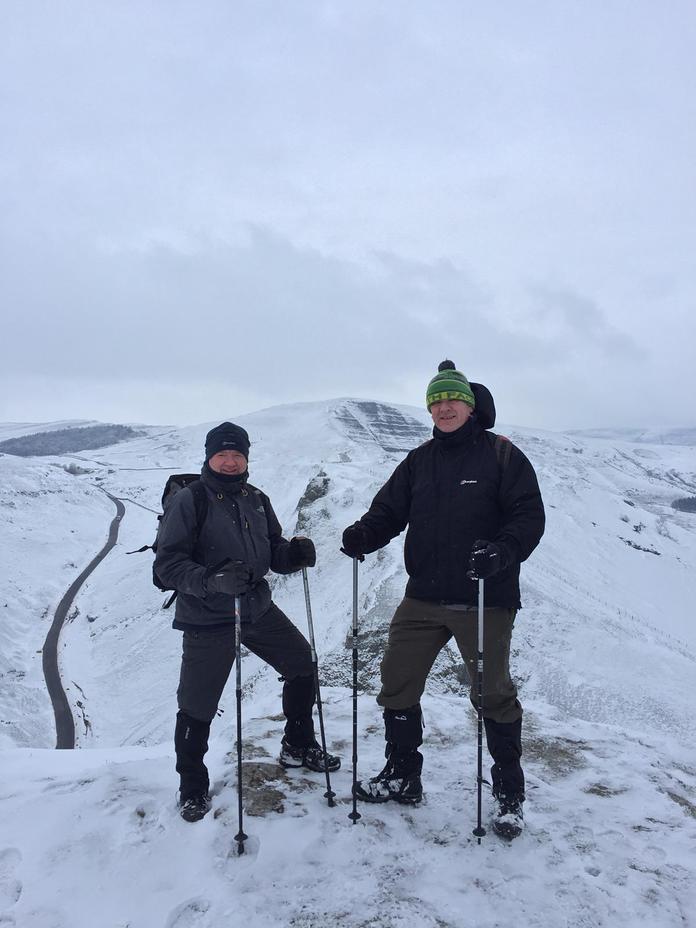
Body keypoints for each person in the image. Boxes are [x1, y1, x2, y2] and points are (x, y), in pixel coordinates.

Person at [340, 360, 545, 838]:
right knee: (396, 682)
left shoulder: (501, 456)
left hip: (484, 597)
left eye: (452, 399)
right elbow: (389, 511)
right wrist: (363, 535)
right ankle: (403, 776)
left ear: (470, 405)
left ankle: (509, 795)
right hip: (424, 598)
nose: (444, 407)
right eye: (435, 401)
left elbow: (528, 517)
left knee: (492, 694)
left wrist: (502, 553)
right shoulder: (419, 461)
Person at [154, 421, 340, 822]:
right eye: (222, 454)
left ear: (246, 458)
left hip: (255, 606)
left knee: (301, 664)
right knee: (197, 704)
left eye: (237, 454)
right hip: (207, 616)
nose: (230, 461)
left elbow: (272, 550)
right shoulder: (190, 501)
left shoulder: (257, 498)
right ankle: (192, 786)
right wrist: (211, 580)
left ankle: (297, 743)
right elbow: (167, 566)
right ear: (208, 457)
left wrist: (292, 555)